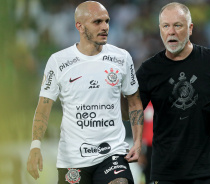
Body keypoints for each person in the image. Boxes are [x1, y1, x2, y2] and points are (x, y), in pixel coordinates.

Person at [27, 1, 144, 184]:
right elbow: (43, 107)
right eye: (97, 22)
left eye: (107, 21)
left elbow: (135, 102)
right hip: (73, 158)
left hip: (112, 153)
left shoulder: (121, 58)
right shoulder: (58, 62)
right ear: (79, 26)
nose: (105, 27)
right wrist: (35, 146)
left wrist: (137, 142)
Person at [134, 2, 210, 184]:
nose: (171, 31)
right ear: (160, 29)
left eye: (178, 25)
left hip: (208, 169)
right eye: (166, 26)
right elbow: (133, 111)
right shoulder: (149, 70)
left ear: (190, 28)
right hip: (166, 172)